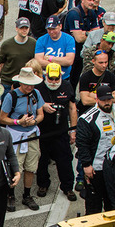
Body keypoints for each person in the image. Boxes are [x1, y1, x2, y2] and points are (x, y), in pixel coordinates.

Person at [75, 83, 115, 215]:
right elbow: (82, 144)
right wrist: (86, 165)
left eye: (109, 99)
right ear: (97, 99)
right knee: (94, 204)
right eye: (103, 100)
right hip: (97, 167)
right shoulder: (87, 119)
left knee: (114, 201)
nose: (107, 103)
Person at [0, 67, 44, 212]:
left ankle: (27, 195)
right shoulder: (11, 96)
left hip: (32, 134)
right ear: (20, 82)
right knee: (15, 166)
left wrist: (34, 122)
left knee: (31, 166)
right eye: (26, 84)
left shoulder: (36, 93)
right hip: (15, 136)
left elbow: (41, 114)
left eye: (31, 84)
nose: (29, 87)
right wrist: (19, 122)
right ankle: (10, 195)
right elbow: (2, 118)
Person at [34, 63, 77, 201]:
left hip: (61, 131)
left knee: (65, 160)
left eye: (56, 79)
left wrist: (73, 130)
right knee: (42, 160)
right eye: (50, 79)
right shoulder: (38, 88)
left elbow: (72, 108)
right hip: (43, 132)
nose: (53, 82)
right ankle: (43, 184)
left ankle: (68, 187)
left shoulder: (66, 86)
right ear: (46, 76)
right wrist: (42, 105)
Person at [63, 0, 100, 86]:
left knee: (77, 76)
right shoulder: (74, 14)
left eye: (93, 0)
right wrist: (90, 33)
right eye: (89, 0)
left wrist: (86, 33)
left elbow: (97, 34)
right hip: (71, 50)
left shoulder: (91, 13)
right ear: (82, 0)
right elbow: (78, 38)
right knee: (70, 76)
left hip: (83, 50)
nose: (92, 2)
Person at [0, 18, 37, 94]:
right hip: (8, 82)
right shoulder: (7, 44)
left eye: (26, 28)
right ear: (16, 28)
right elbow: (1, 62)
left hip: (26, 81)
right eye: (22, 28)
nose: (24, 30)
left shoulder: (33, 43)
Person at [77, 50, 115, 115]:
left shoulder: (111, 77)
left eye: (106, 62)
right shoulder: (85, 77)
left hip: (105, 113)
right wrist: (107, 99)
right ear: (93, 61)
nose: (104, 65)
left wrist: (92, 95)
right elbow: (85, 101)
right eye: (101, 63)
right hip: (88, 112)